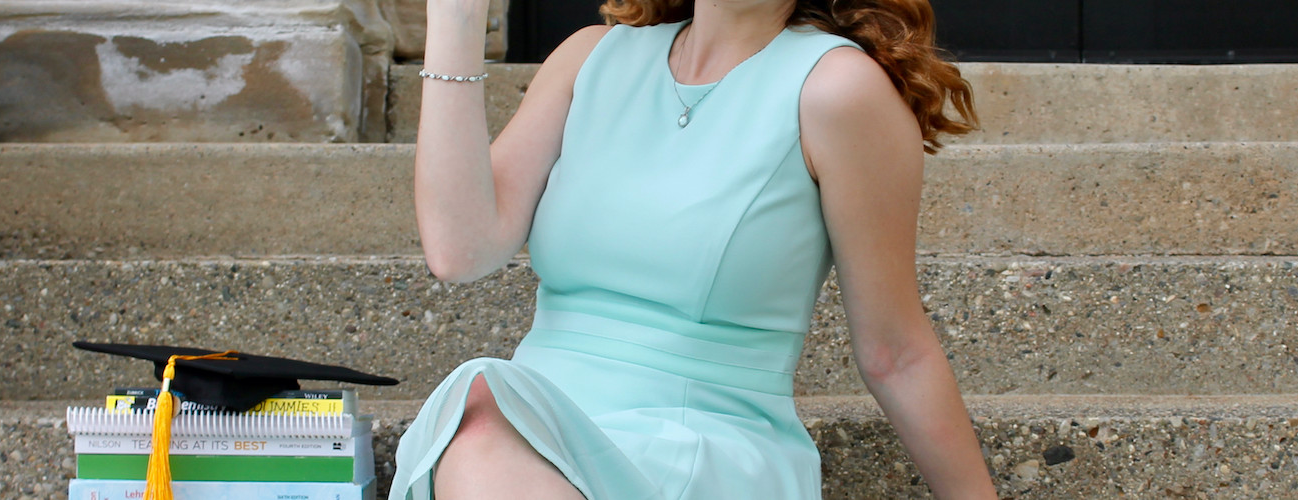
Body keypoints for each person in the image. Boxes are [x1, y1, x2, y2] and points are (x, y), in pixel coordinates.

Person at [391, 0, 991, 498]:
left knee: (482, 439)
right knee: (479, 418)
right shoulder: (590, 58)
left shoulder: (838, 89)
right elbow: (459, 252)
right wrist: (456, 18)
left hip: (703, 445)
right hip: (530, 430)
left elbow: (896, 353)